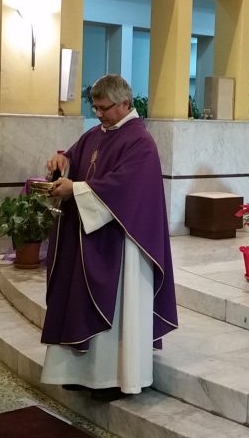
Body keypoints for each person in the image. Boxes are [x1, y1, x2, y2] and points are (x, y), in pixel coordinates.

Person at [40, 74, 178, 401]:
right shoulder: (97, 134)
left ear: (125, 104)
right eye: (95, 108)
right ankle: (80, 373)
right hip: (89, 239)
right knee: (79, 303)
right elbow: (76, 159)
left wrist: (76, 189)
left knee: (117, 314)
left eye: (104, 108)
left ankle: (113, 379)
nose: (99, 114)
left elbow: (124, 188)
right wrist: (63, 162)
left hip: (121, 245)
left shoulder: (140, 142)